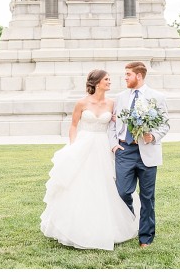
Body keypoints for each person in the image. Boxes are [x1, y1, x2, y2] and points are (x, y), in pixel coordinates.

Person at [40, 70, 138, 250]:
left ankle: (108, 226)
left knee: (105, 184)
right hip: (84, 145)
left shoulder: (112, 103)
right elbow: (74, 126)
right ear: (97, 82)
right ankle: (75, 226)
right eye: (106, 79)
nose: (110, 82)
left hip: (103, 146)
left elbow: (115, 125)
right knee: (80, 183)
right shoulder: (81, 103)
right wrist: (72, 146)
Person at [108, 61, 170, 247]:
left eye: (128, 74)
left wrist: (153, 136)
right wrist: (113, 144)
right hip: (124, 150)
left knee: (147, 197)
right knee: (123, 192)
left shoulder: (156, 97)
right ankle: (129, 223)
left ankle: (146, 237)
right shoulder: (119, 98)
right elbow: (112, 123)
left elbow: (165, 124)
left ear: (139, 76)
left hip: (147, 151)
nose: (125, 77)